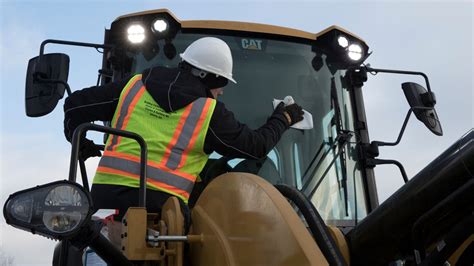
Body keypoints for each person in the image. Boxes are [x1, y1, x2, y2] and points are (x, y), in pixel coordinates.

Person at [63, 37, 304, 219]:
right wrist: (283, 118)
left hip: (106, 205)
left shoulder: (133, 86)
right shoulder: (208, 113)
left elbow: (73, 106)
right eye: (222, 83)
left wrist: (80, 145)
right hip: (164, 214)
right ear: (209, 77)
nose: (221, 91)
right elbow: (256, 146)